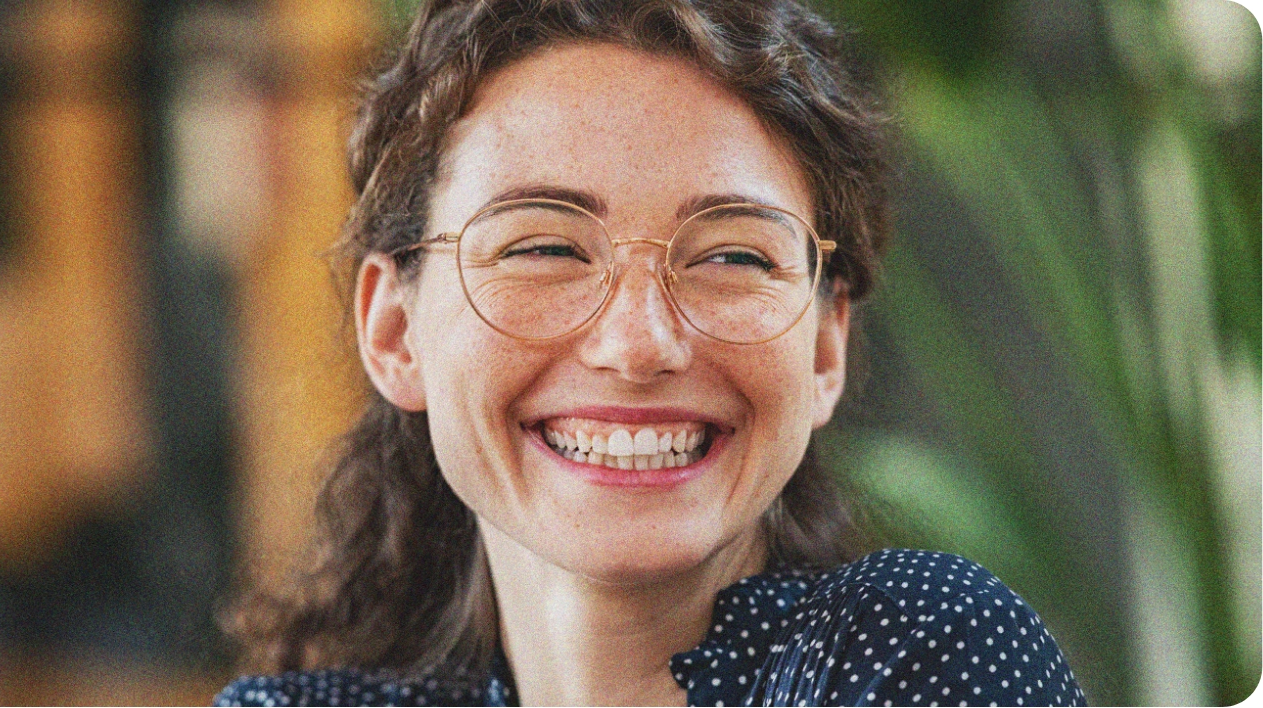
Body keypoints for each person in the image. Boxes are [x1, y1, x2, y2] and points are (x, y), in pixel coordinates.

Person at [218, 0, 1085, 705]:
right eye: (544, 248)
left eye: (733, 257)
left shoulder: (925, 655)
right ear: (394, 330)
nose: (639, 344)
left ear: (827, 345)